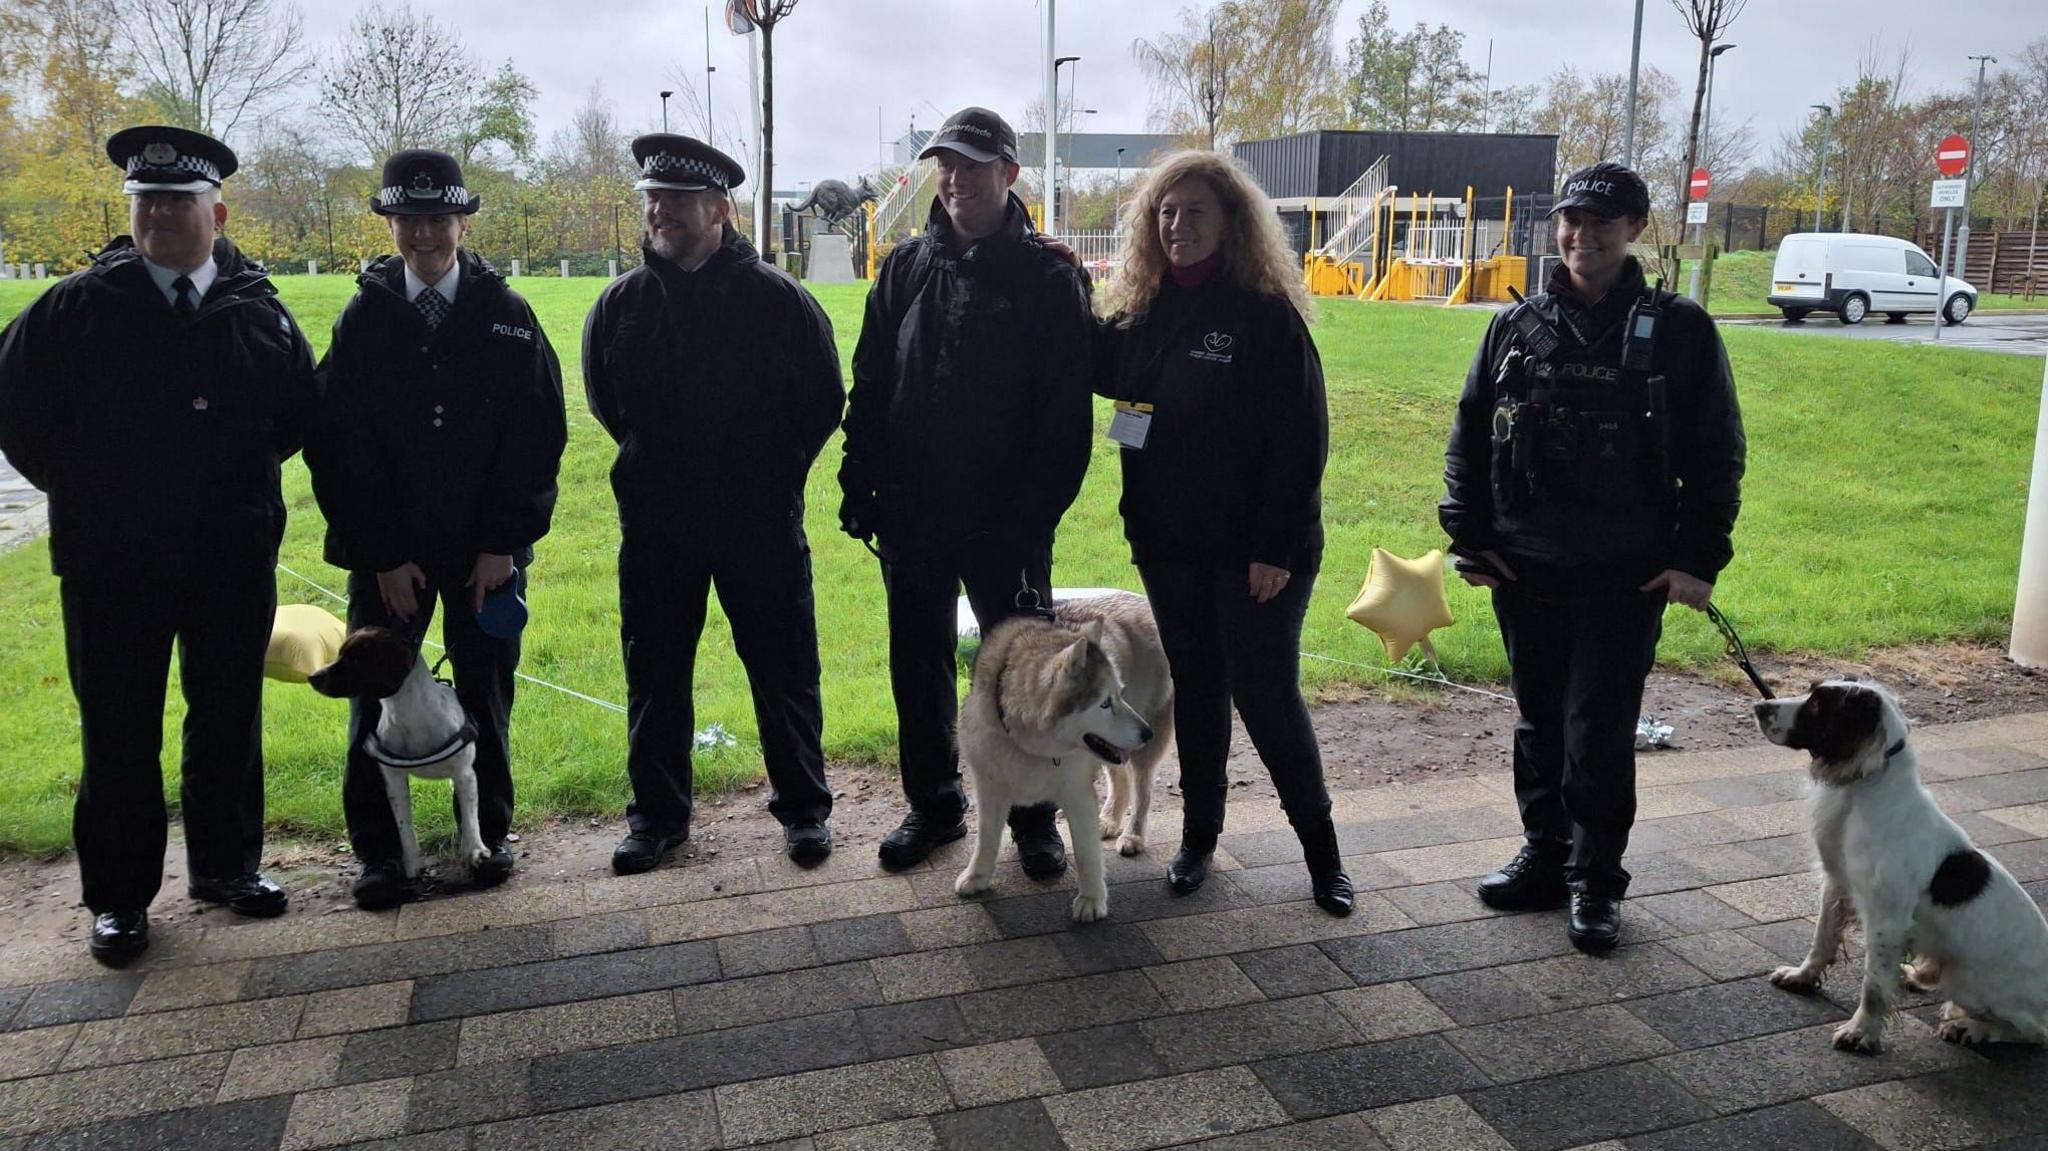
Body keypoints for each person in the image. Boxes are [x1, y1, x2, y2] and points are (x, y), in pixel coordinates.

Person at [0, 126, 317, 965]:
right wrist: (93, 489)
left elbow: (293, 417)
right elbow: (19, 415)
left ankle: (225, 868)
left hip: (229, 558)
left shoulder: (259, 309)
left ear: (216, 211)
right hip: (113, 564)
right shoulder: (75, 308)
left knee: (225, 716)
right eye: (146, 202)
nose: (161, 217)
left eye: (178, 202)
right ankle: (118, 899)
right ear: (130, 210)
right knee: (118, 728)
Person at [1440, 161, 1746, 952]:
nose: (1582, 236)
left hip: (1626, 573)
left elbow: (1718, 455)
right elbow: (1470, 437)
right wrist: (1470, 540)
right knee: (1540, 720)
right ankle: (1545, 854)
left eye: (1602, 222)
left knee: (1598, 729)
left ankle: (1595, 880)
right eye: (1572, 221)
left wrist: (1697, 560)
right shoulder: (1515, 326)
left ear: (1636, 229)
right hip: (1525, 567)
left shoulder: (1679, 330)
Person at [1093, 150, 1352, 917]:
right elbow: (1103, 370)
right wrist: (1053, 275)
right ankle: (1199, 838)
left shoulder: (1264, 316)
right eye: (1166, 212)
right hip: (1172, 550)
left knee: (1267, 696)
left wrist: (1274, 546)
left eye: (1196, 211)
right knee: (1199, 692)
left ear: (1232, 222)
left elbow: (1302, 440)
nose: (1178, 226)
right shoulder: (1147, 310)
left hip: (1257, 559)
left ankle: (1324, 855)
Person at [305, 149, 567, 909]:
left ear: (462, 221)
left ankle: (486, 839)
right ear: (391, 224)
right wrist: (381, 555)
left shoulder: (507, 315)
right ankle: (384, 856)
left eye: (438, 218)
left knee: (485, 690)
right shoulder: (363, 319)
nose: (424, 234)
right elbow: (340, 449)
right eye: (408, 219)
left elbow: (537, 435)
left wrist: (501, 545)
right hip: (393, 556)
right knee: (372, 694)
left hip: (484, 550)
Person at [839, 106, 1095, 875]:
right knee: (915, 665)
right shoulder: (906, 267)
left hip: (1007, 525)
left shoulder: (1050, 279)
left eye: (971, 166)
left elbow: (1064, 422)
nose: (953, 180)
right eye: (943, 165)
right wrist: (861, 479)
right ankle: (935, 807)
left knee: (1024, 671)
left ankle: (1034, 821)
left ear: (1009, 174)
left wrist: (1028, 519)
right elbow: (873, 383)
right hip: (915, 515)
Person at [584, 134, 844, 872]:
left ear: (719, 207)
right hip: (658, 525)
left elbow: (822, 402)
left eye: (675, 198)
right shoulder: (621, 304)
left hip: (758, 523)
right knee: (656, 670)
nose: (659, 210)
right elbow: (609, 402)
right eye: (651, 198)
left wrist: (771, 474)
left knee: (784, 667)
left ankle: (804, 810)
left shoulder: (779, 302)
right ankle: (658, 818)